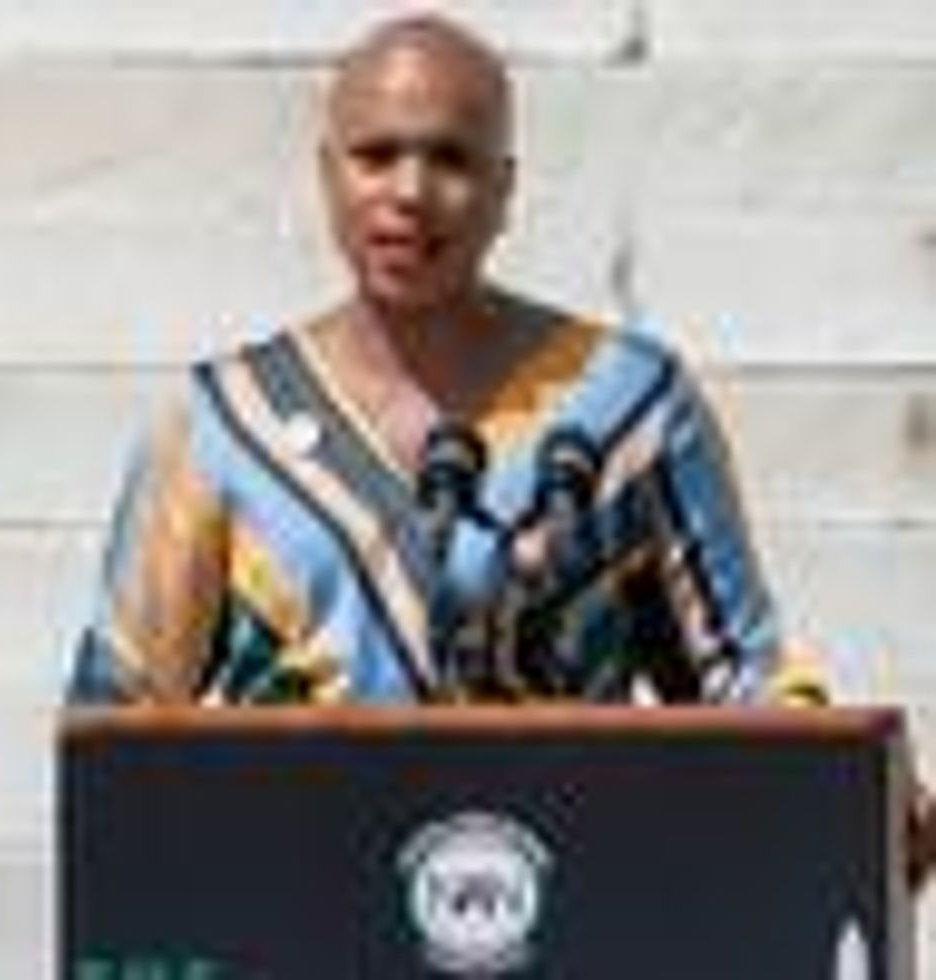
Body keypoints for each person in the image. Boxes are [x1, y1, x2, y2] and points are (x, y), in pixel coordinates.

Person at [67, 11, 934, 882]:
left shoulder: (626, 406)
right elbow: (119, 719)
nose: (409, 191)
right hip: (296, 906)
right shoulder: (221, 425)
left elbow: (741, 674)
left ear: (505, 188)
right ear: (327, 176)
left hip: (570, 906)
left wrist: (856, 784)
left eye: (451, 159)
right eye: (376, 155)